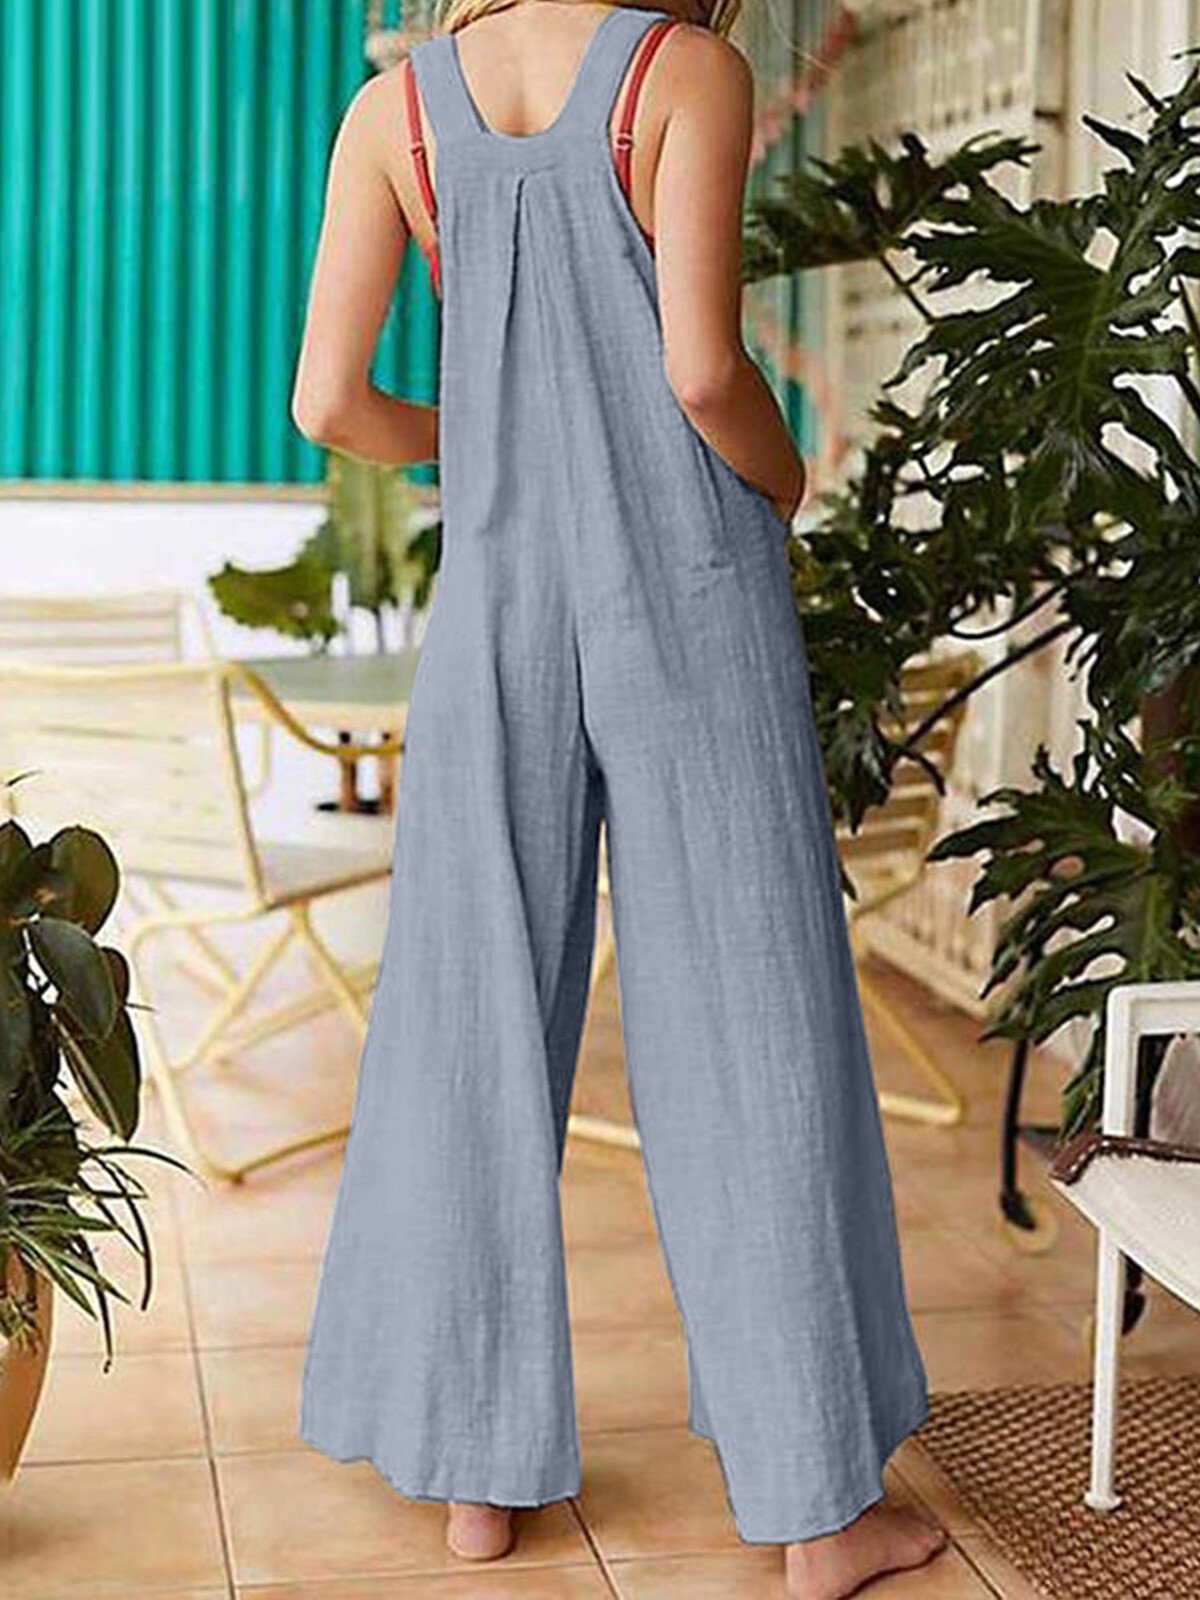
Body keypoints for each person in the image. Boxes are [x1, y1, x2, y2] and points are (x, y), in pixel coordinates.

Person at [293, 3, 946, 1595]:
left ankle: (472, 1478)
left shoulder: (396, 112)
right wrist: (786, 479)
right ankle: (816, 1516)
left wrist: (485, 438)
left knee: (468, 1016)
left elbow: (327, 405)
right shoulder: (685, 70)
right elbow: (704, 369)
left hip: (496, 608)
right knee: (751, 1024)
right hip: (690, 587)